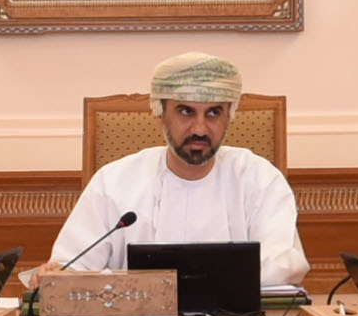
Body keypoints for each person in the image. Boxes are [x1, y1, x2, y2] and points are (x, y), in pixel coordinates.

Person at [57, 51, 306, 290]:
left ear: (229, 116)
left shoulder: (259, 179)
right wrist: (57, 275)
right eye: (186, 111)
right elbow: (70, 271)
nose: (200, 129)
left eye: (214, 113)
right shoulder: (113, 182)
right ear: (160, 113)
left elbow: (282, 266)